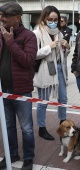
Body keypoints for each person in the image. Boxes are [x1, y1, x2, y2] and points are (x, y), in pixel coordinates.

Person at [0, 2, 37, 170]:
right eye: (0, 15)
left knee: (27, 127)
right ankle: (12, 153)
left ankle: (28, 157)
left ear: (17, 18)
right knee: (8, 126)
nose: (1, 18)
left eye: (5, 15)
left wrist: (10, 41)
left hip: (21, 90)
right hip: (3, 91)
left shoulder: (29, 36)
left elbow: (28, 60)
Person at [33, 6, 70, 141]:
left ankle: (63, 124)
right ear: (44, 19)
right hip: (45, 70)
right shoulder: (37, 33)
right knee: (43, 100)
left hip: (59, 68)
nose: (53, 22)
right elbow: (33, 54)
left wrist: (66, 48)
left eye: (56, 19)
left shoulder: (59, 33)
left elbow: (62, 55)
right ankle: (42, 128)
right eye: (50, 19)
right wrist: (49, 47)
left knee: (63, 98)